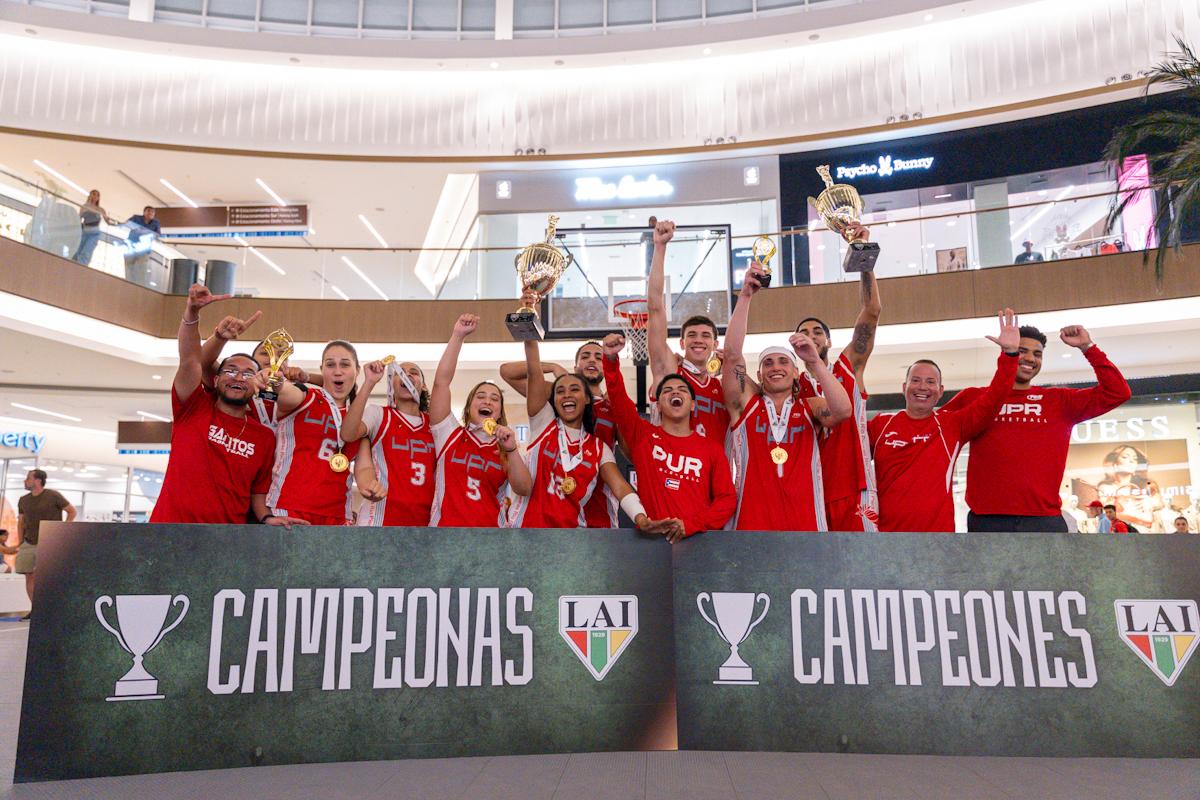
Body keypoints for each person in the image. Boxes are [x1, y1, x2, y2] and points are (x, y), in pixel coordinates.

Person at [942, 324, 1130, 532]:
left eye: (1037, 354)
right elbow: (934, 432)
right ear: (1008, 351)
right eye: (1022, 351)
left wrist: (1088, 347)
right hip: (988, 521)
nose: (1031, 358)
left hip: (1044, 521)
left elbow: (1117, 392)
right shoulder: (974, 398)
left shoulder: (1059, 401)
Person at [722, 263, 851, 531]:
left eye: (783, 362)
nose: (776, 367)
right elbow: (733, 356)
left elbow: (842, 411)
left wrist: (815, 362)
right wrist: (745, 296)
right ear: (759, 372)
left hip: (806, 522)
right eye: (768, 363)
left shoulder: (810, 407)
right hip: (752, 519)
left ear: (795, 373)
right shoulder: (745, 405)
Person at [868, 309, 1020, 532]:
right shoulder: (881, 425)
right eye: (916, 380)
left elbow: (994, 397)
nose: (922, 387)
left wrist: (1009, 355)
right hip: (886, 540)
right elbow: (848, 464)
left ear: (940, 391)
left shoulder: (953, 424)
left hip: (939, 542)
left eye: (930, 382)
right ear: (904, 387)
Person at [151, 285, 290, 528]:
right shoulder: (193, 407)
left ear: (257, 385)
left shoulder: (264, 437)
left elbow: (258, 494)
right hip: (168, 532)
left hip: (226, 541)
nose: (238, 377)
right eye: (230, 370)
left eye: (248, 374)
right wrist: (193, 314)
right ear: (215, 379)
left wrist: (268, 518)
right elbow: (191, 360)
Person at [511, 329, 666, 532]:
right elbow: (532, 370)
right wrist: (528, 323)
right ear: (552, 399)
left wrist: (641, 517)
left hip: (585, 519)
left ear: (586, 400)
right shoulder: (544, 422)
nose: (567, 395)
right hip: (530, 529)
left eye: (574, 390)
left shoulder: (600, 447)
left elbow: (620, 486)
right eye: (559, 391)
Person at [602, 332, 736, 541]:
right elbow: (619, 400)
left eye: (682, 389)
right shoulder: (643, 435)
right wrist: (610, 361)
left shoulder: (711, 449)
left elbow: (726, 499)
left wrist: (691, 525)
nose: (675, 392)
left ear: (692, 404)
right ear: (658, 403)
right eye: (667, 391)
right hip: (651, 543)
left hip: (699, 543)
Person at [795, 223, 882, 531]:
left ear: (829, 342)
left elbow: (871, 311)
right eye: (803, 332)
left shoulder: (848, 366)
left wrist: (863, 256)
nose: (811, 336)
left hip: (854, 487)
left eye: (817, 332)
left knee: (864, 568)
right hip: (811, 491)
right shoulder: (793, 385)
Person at [499, 327, 620, 526]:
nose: (592, 360)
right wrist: (553, 367)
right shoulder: (555, 394)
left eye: (599, 357)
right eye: (585, 356)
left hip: (599, 503)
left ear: (606, 365)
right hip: (555, 501)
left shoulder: (613, 406)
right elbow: (507, 372)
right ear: (576, 366)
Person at [428, 314, 532, 527]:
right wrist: (458, 336)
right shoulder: (449, 434)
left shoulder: (505, 448)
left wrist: (511, 450)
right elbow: (441, 383)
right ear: (469, 406)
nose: (488, 401)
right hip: (445, 538)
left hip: (490, 542)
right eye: (481, 396)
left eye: (495, 399)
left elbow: (524, 489)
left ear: (500, 411)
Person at [261, 339, 363, 526]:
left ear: (358, 370)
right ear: (322, 369)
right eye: (330, 365)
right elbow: (281, 391)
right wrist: (273, 379)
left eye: (345, 365)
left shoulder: (361, 419)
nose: (338, 371)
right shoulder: (305, 396)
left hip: (338, 516)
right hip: (288, 509)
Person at [647, 219, 730, 442]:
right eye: (691, 335)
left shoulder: (722, 385)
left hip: (715, 472)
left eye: (706, 336)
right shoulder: (671, 371)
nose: (698, 340)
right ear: (682, 343)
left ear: (716, 344)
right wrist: (660, 248)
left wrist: (733, 365)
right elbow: (655, 308)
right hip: (674, 470)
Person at [341, 358, 436, 527]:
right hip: (379, 519)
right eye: (400, 373)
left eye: (413, 372)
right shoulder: (378, 414)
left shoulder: (435, 426)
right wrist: (369, 382)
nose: (407, 375)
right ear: (391, 385)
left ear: (423, 386)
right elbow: (348, 434)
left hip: (424, 524)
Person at [16, 469, 77, 618]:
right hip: (29, 542)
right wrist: (20, 541)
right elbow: (21, 522)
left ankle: (52, 608)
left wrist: (63, 530)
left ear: (37, 480)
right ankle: (36, 609)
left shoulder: (53, 495)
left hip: (50, 541)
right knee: (29, 576)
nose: (25, 480)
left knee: (45, 575)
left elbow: (71, 511)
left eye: (28, 478)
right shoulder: (23, 500)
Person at [1096, 444, 1162, 531]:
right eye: (1125, 457)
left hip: (1145, 531)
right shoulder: (1105, 487)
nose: (1131, 461)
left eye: (1135, 459)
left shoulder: (1147, 484)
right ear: (1115, 463)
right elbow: (1107, 512)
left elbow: (1159, 503)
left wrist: (1150, 503)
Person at [124, 206, 162, 286]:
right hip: (131, 247)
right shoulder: (136, 218)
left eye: (152, 212)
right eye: (148, 211)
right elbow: (127, 224)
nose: (150, 213)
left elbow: (158, 235)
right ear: (144, 212)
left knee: (142, 269)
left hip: (144, 249)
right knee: (129, 267)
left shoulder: (156, 222)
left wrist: (145, 232)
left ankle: (139, 286)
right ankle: (128, 284)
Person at [72, 189, 112, 266]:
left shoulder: (101, 209)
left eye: (97, 195)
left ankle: (82, 266)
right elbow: (79, 218)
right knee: (78, 250)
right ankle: (74, 263)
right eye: (93, 194)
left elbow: (108, 222)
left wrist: (118, 224)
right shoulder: (85, 206)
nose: (95, 196)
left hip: (94, 232)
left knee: (87, 251)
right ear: (90, 195)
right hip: (85, 230)